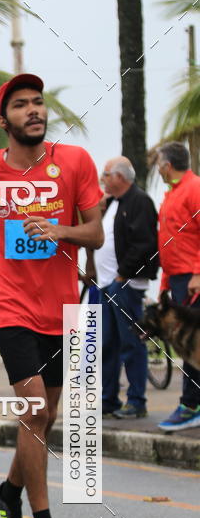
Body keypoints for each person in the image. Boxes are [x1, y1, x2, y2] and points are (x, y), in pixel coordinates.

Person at [0, 73, 103, 518]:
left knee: (45, 418)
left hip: (63, 308)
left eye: (38, 102)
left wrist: (61, 229)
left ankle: (9, 492)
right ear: (4, 120)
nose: (33, 110)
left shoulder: (75, 161)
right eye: (21, 105)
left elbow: (96, 235)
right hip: (9, 305)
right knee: (34, 412)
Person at [95, 157, 158, 418]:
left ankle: (136, 401)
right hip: (106, 284)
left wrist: (122, 275)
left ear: (120, 177)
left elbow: (144, 243)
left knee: (131, 344)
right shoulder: (111, 203)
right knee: (107, 344)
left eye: (106, 174)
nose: (103, 179)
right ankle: (109, 400)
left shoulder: (139, 201)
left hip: (126, 285)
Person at [156, 141, 200, 431]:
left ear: (167, 166)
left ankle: (190, 405)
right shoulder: (171, 193)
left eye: (159, 164)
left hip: (193, 278)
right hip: (178, 279)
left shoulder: (194, 188)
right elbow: (171, 242)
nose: (157, 170)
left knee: (190, 343)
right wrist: (165, 283)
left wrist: (198, 272)